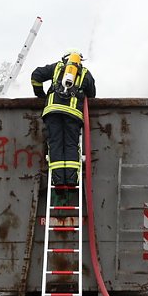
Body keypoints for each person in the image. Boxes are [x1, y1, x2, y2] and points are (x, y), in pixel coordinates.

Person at [31, 50, 96, 202]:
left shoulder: (57, 67)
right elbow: (92, 95)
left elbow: (36, 76)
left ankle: (58, 182)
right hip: (73, 114)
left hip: (52, 112)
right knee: (71, 145)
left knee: (55, 144)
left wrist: (40, 94)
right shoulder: (85, 73)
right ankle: (72, 181)